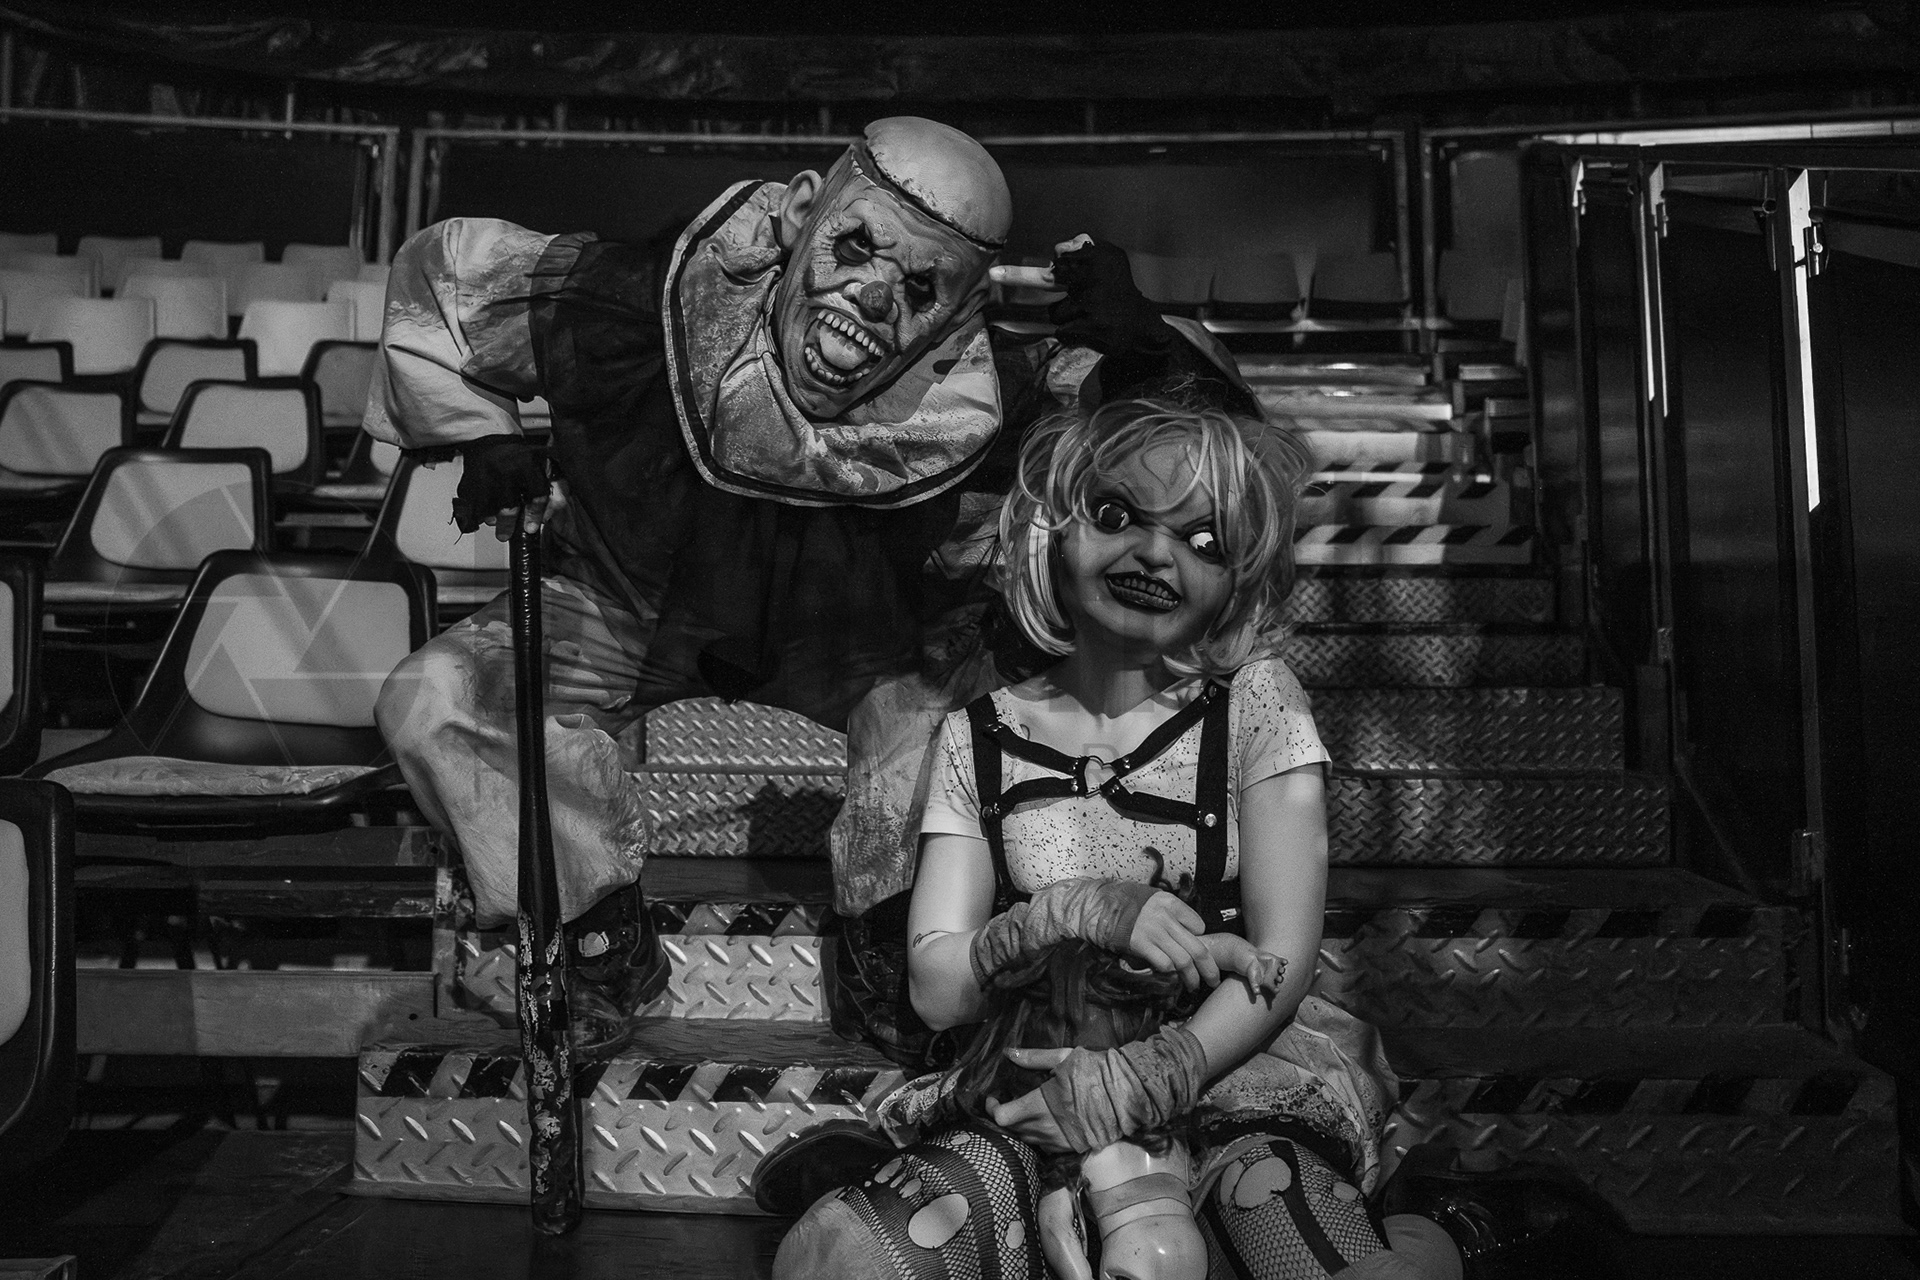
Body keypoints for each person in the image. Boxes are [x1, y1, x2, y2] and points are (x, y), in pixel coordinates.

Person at [365, 115, 1250, 1057]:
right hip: (625, 605)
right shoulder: (641, 303)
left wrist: (1150, 351)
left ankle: (897, 944)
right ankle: (592, 938)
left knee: (963, 725)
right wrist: (478, 428)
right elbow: (442, 280)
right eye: (856, 247)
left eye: (921, 287)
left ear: (961, 309)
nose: (872, 298)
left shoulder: (990, 393)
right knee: (439, 696)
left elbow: (1222, 461)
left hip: (870, 647)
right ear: (798, 213)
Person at [772, 399, 1464, 1279]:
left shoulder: (1257, 703)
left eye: (1203, 539)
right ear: (1053, 528)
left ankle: (1438, 1228)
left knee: (1295, 1232)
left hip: (1227, 1079)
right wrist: (1066, 914)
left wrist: (1151, 1078)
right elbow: (938, 992)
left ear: (1238, 578)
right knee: (847, 1258)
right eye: (1116, 514)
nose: (1155, 554)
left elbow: (1280, 963)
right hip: (1035, 1079)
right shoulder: (977, 735)